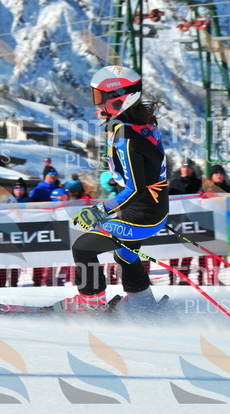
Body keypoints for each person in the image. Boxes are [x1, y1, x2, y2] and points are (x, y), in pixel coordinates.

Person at [54, 65, 168, 312]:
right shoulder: (138, 125)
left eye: (100, 98)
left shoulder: (126, 137)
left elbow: (135, 189)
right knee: (125, 254)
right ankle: (142, 301)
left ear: (121, 99)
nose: (96, 105)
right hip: (148, 210)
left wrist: (99, 211)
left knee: (82, 248)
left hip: (142, 215)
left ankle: (90, 304)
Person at [168, 158, 202, 284]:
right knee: (174, 251)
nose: (185, 169)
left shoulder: (198, 183)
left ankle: (184, 278)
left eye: (188, 167)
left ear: (192, 169)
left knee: (188, 250)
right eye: (183, 167)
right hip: (176, 220)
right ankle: (172, 278)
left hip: (192, 221)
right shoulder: (174, 183)